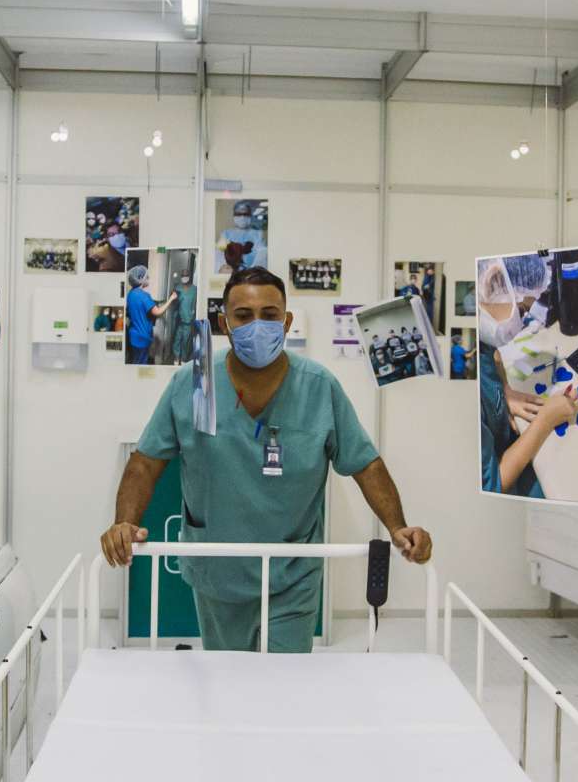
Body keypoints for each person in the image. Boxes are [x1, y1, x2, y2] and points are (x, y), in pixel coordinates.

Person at [102, 266, 432, 652]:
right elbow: (145, 462)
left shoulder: (318, 387)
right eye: (243, 316)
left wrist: (398, 527)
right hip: (218, 569)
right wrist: (124, 523)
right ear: (224, 324)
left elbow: (365, 463)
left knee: (285, 679)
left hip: (292, 571)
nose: (257, 325)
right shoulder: (194, 383)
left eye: (269, 315)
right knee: (228, 676)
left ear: (286, 322)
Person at [476, 257, 576, 498]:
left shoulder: (482, 340)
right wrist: (545, 421)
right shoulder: (468, 383)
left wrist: (505, 391)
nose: (521, 323)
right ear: (491, 281)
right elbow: (493, 485)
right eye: (520, 311)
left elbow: (494, 357)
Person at [123, 263, 178, 365]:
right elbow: (157, 312)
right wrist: (171, 299)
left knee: (135, 361)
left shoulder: (130, 294)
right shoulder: (145, 296)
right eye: (147, 277)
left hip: (133, 336)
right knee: (141, 364)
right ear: (141, 279)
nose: (148, 279)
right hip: (143, 337)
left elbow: (136, 309)